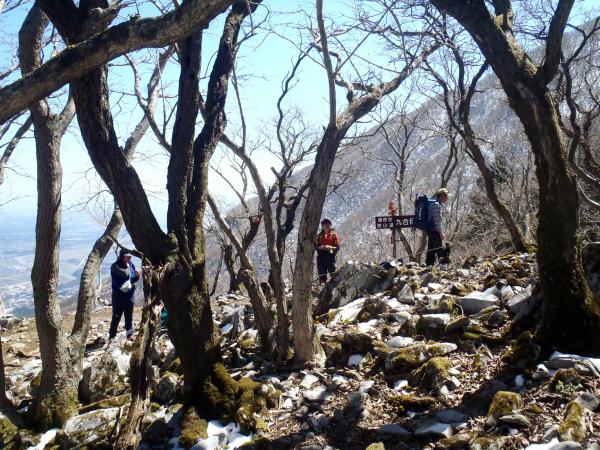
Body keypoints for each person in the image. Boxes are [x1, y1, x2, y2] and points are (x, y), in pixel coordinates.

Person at [109, 248, 141, 341]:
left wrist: (136, 275)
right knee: (116, 316)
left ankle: (129, 334)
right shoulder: (115, 266)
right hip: (118, 296)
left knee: (129, 315)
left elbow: (135, 278)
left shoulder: (130, 264)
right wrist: (133, 272)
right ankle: (112, 335)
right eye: (127, 257)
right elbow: (126, 274)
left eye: (130, 256)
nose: (129, 258)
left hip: (129, 295)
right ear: (121, 256)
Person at [426, 188, 449, 266]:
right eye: (446, 196)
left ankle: (429, 266)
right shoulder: (436, 205)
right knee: (440, 249)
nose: (447, 198)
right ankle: (443, 265)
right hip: (434, 230)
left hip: (431, 230)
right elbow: (437, 221)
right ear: (441, 196)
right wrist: (441, 233)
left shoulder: (435, 204)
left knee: (431, 249)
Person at [315, 218, 341, 285]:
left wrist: (329, 247)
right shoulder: (319, 236)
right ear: (322, 226)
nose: (327, 226)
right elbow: (315, 246)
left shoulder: (334, 235)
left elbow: (338, 247)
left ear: (330, 225)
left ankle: (335, 286)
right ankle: (323, 286)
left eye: (328, 225)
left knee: (333, 274)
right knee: (322, 276)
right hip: (321, 257)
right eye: (325, 225)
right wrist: (320, 247)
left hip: (330, 256)